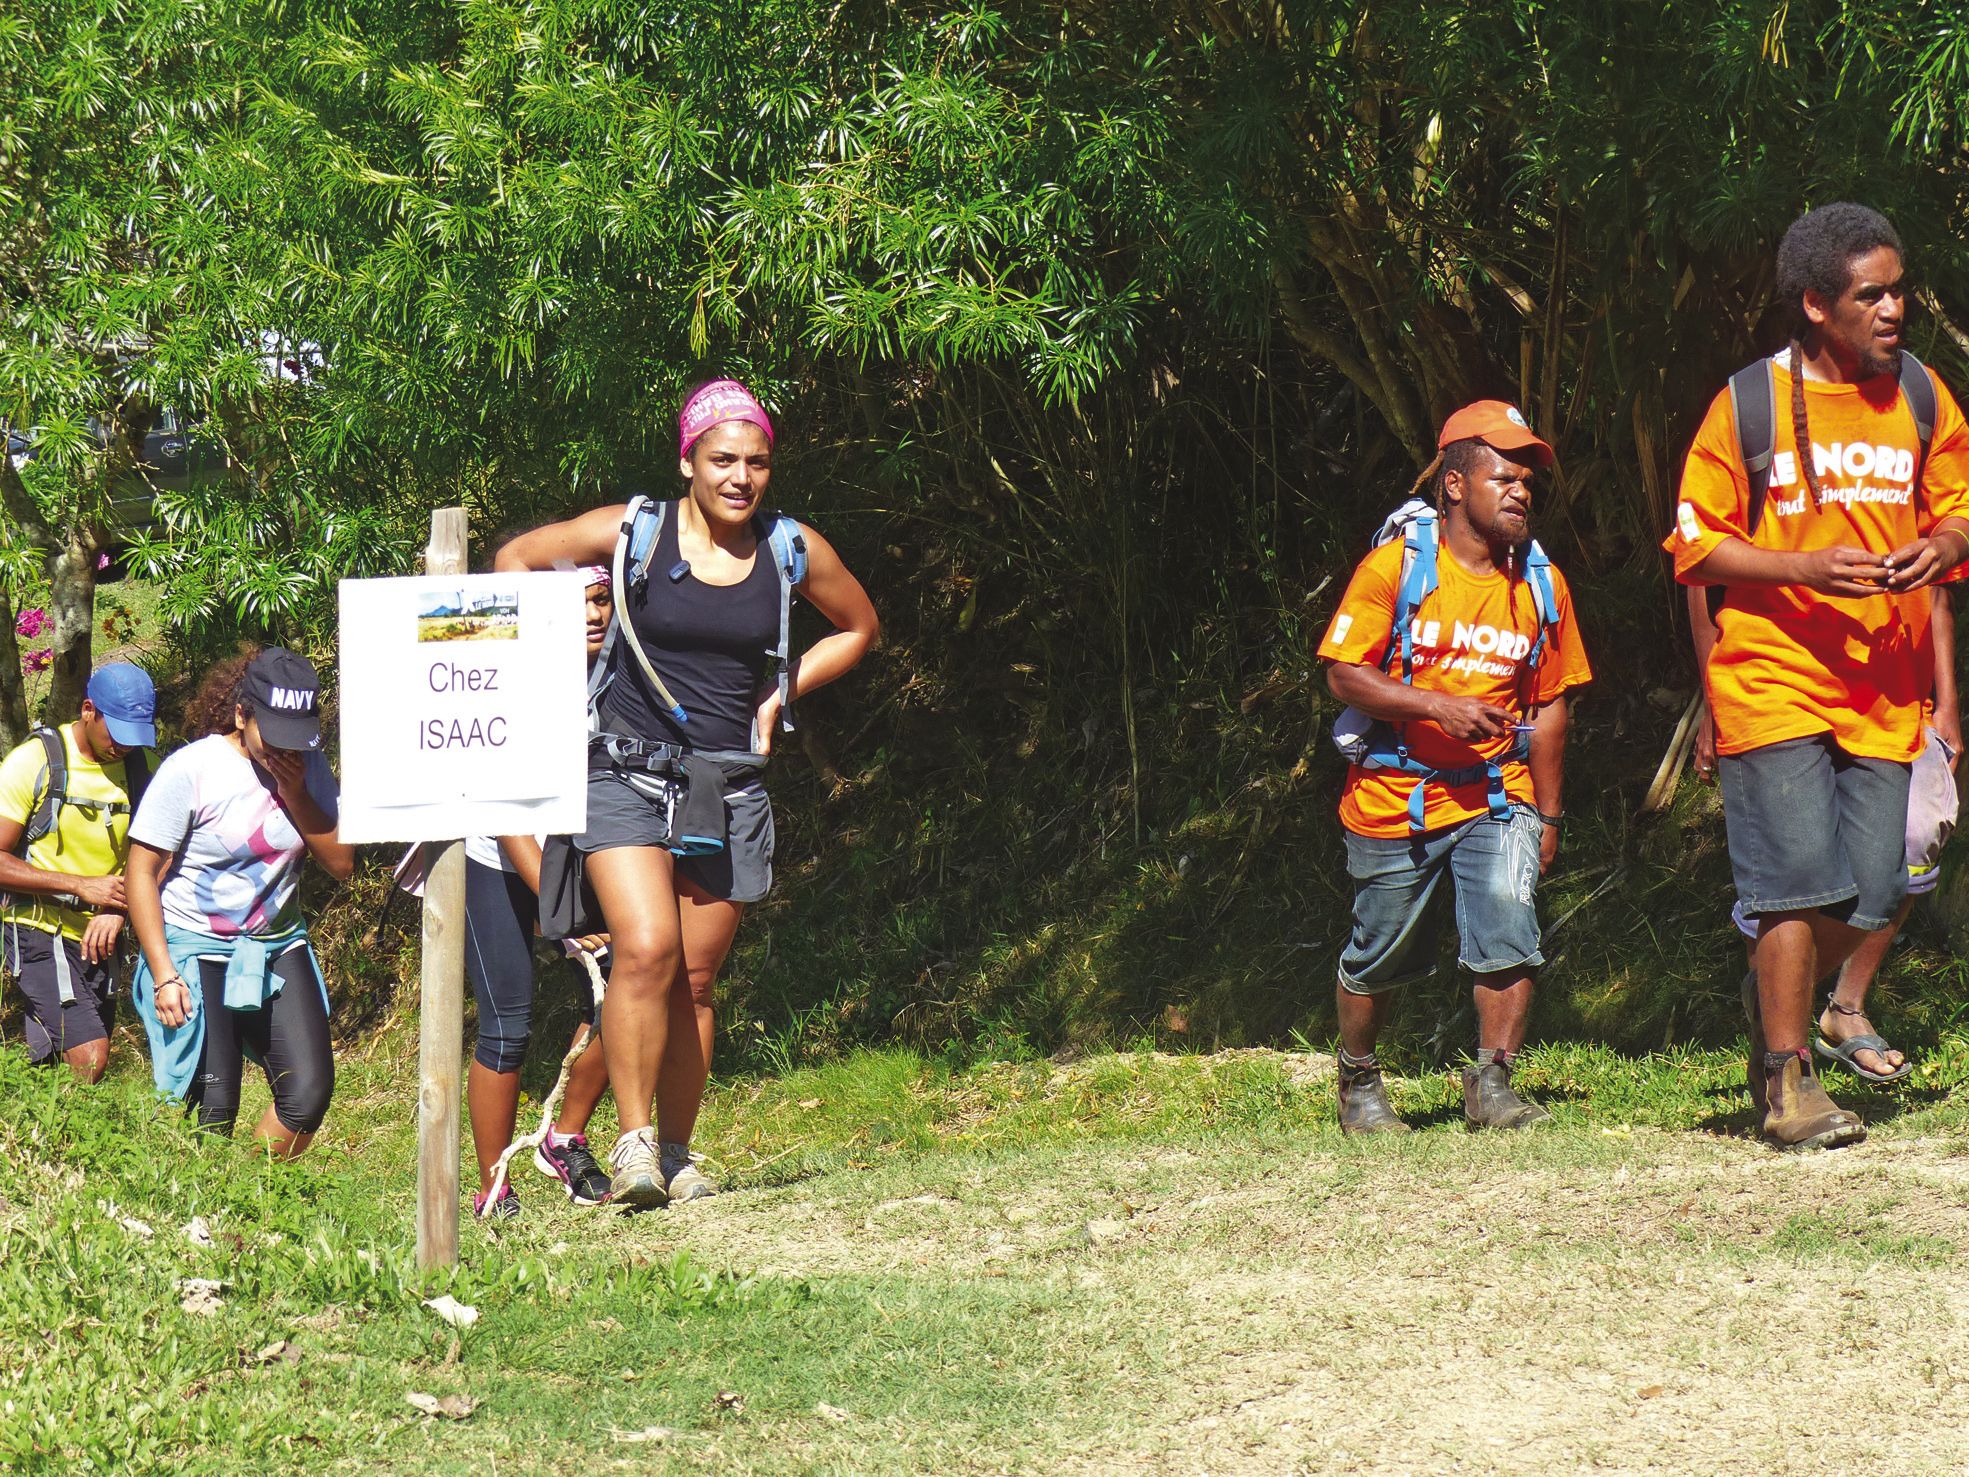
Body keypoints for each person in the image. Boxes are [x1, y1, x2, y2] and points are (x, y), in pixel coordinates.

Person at [495, 379, 878, 1205]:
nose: (740, 477)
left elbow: (858, 627)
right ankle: (631, 1146)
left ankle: (676, 1152)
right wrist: (552, 650)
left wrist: (784, 690)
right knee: (644, 946)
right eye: (722, 460)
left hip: (726, 781)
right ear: (688, 461)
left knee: (695, 982)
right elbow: (514, 562)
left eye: (757, 462)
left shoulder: (788, 548)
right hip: (622, 768)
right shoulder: (633, 529)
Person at [1665, 201, 1969, 1149]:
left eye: (1897, 291)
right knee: (1795, 880)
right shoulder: (1746, 402)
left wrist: (1941, 545)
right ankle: (1788, 1081)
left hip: (1883, 689)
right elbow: (1694, 545)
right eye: (1868, 296)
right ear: (1813, 304)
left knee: (1876, 886)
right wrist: (1799, 566)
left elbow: (1957, 509)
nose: (1893, 310)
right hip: (1772, 677)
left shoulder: (1921, 396)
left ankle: (1786, 994)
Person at [1319, 401, 1592, 1134]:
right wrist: (1435, 706)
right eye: (1502, 477)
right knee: (1378, 951)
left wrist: (1549, 811)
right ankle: (1358, 1078)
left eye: (1526, 482)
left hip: (1498, 795)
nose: (1520, 492)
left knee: (1510, 931)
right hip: (1394, 794)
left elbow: (1552, 705)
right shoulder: (1396, 569)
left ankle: (1493, 1082)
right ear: (1453, 485)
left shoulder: (1540, 584)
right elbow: (1344, 674)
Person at [1690, 583, 1960, 1086]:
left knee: (1902, 858)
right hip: (1779, 691)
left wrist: (1946, 703)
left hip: (1892, 699)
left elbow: (1935, 588)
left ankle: (1815, 1005)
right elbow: (1704, 575)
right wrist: (1713, 701)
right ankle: (1787, 1068)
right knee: (1793, 872)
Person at [126, 647, 354, 1158]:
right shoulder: (193, 769)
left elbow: (341, 863)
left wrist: (294, 790)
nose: (285, 749)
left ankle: (253, 1199)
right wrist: (164, 973)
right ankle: (194, 1214)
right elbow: (141, 873)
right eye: (272, 734)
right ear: (240, 713)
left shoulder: (306, 767)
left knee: (308, 1091)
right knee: (213, 1104)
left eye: (296, 738)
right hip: (194, 942)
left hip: (275, 942)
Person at [465, 568, 616, 1216]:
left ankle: (563, 1136)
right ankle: (493, 1185)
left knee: (628, 985)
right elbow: (505, 814)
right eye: (576, 603)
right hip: (498, 851)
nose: (592, 614)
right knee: (508, 1023)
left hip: (584, 851)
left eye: (601, 599)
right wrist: (560, 915)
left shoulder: (620, 678)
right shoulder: (514, 679)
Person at [0, 663, 157, 1081]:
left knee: (56, 1061)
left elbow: (162, 855)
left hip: (102, 932)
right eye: (117, 733)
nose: (125, 746)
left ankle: (40, 1138)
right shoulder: (36, 760)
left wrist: (118, 909)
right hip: (37, 924)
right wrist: (80, 886)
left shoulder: (142, 769)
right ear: (89, 710)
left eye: (135, 736)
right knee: (90, 1054)